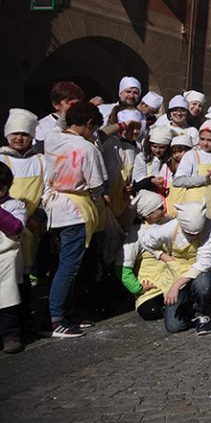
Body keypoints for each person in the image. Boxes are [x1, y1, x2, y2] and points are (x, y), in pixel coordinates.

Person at [43, 101, 106, 339]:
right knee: (69, 267)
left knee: (62, 264)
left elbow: (60, 124)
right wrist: (93, 200)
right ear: (89, 124)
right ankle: (56, 318)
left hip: (54, 206)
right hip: (74, 209)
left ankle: (66, 312)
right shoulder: (86, 148)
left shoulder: (52, 139)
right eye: (94, 128)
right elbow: (97, 185)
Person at [139, 201, 211, 335]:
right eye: (189, 233)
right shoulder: (168, 229)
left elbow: (204, 261)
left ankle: (203, 314)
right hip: (177, 269)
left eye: (196, 233)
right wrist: (162, 256)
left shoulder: (209, 225)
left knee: (203, 284)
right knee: (174, 326)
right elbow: (146, 241)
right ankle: (190, 306)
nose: (193, 236)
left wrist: (176, 285)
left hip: (201, 271)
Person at [2, 110, 46, 303]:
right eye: (15, 134)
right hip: (5, 228)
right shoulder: (1, 160)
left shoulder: (41, 161)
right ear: (7, 135)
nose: (19, 138)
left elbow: (48, 191)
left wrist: (38, 216)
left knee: (27, 276)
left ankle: (26, 318)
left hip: (32, 226)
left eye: (24, 134)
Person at [168, 120, 211, 233]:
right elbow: (178, 181)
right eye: (202, 139)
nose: (205, 143)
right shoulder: (192, 155)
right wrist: (203, 179)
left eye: (210, 140)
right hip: (194, 206)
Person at [118, 190, 170, 321]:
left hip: (171, 283)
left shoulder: (167, 225)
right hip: (151, 289)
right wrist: (137, 288)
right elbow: (121, 267)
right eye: (160, 208)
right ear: (148, 214)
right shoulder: (136, 235)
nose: (164, 210)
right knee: (150, 311)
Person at [0, 162, 27, 353]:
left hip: (5, 258)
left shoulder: (14, 205)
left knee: (6, 299)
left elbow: (17, 228)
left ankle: (10, 334)